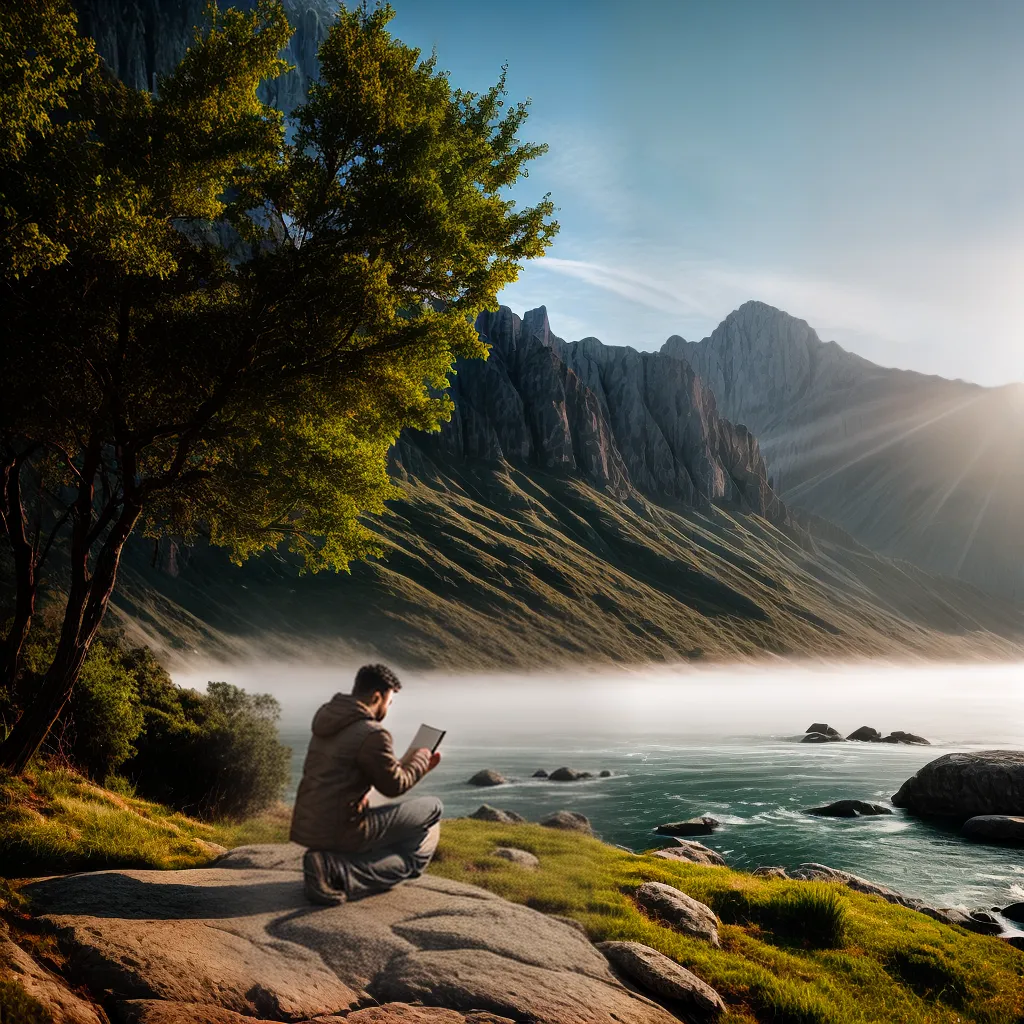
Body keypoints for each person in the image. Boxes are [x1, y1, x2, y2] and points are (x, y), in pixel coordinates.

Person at [289, 663, 443, 905]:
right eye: (389, 702)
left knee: (386, 811)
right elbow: (394, 787)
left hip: (309, 825)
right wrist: (422, 758)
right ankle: (335, 868)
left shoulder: (328, 719)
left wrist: (405, 764)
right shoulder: (372, 733)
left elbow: (348, 771)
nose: (388, 709)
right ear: (376, 697)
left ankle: (331, 862)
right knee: (432, 809)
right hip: (343, 828)